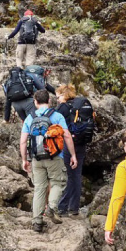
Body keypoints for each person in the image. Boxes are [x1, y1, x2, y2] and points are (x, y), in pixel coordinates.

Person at [20, 90, 78, 233]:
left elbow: (23, 141)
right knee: (58, 183)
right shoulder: (57, 116)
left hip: (36, 159)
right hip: (55, 157)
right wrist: (73, 155)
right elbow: (67, 136)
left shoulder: (30, 118)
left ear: (35, 101)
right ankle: (52, 207)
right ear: (49, 101)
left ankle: (37, 222)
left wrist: (24, 160)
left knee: (39, 188)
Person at [55, 84, 92, 216]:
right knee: (76, 175)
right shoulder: (79, 104)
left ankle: (62, 206)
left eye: (58, 96)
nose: (57, 99)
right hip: (81, 142)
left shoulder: (63, 107)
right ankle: (74, 208)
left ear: (64, 95)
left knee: (69, 175)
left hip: (69, 143)